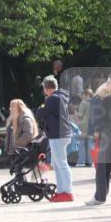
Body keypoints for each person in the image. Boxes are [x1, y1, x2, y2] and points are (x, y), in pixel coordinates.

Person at [85, 73, 111, 206]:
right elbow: (100, 118)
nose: (106, 85)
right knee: (102, 166)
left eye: (109, 82)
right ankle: (100, 196)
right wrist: (97, 130)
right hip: (107, 136)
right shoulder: (106, 100)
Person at [41, 75, 74, 203]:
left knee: (61, 164)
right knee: (59, 164)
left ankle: (67, 191)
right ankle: (62, 191)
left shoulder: (52, 98)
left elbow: (41, 113)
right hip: (62, 133)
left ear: (46, 88)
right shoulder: (61, 96)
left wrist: (41, 108)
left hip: (57, 134)